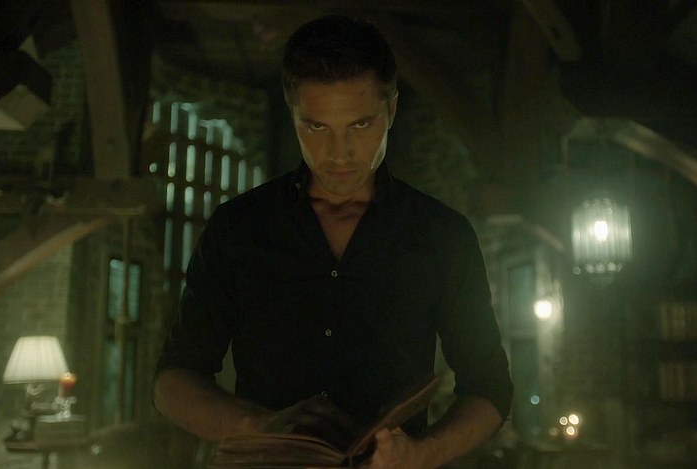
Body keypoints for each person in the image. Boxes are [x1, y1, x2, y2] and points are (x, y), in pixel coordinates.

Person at [153, 14, 512, 468]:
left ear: (391, 111)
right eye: (317, 127)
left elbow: (489, 386)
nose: (339, 153)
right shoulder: (238, 228)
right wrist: (257, 428)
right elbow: (173, 381)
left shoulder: (442, 236)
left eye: (360, 126)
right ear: (292, 114)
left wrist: (420, 454)